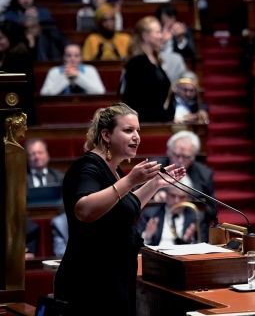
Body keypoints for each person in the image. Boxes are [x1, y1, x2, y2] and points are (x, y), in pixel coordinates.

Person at [53, 103, 186, 316]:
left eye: (138, 131)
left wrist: (155, 184)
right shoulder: (88, 167)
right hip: (90, 281)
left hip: (116, 276)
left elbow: (123, 209)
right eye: (128, 130)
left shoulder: (114, 170)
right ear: (106, 135)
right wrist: (130, 180)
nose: (136, 137)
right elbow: (84, 210)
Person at [121, 16, 174, 123]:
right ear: (145, 36)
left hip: (159, 120)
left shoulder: (156, 60)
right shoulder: (137, 62)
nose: (161, 36)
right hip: (146, 122)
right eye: (158, 32)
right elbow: (135, 99)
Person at [152, 131, 215, 210]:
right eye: (176, 155)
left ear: (193, 157)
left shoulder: (205, 174)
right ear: (169, 152)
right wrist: (155, 194)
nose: (180, 160)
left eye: (186, 157)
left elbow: (212, 207)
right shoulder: (155, 167)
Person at [136, 183, 207, 245]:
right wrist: (147, 236)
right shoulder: (151, 214)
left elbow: (203, 243)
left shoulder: (197, 216)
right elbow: (135, 242)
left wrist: (189, 241)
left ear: (188, 198)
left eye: (182, 197)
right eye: (173, 196)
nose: (176, 201)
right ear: (166, 196)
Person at [0, 21, 36, 124]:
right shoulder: (1, 56)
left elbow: (29, 87)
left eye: (1, 38)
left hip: (18, 112)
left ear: (11, 38)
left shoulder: (21, 58)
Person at [40, 44, 106, 96]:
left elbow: (100, 91)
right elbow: (44, 94)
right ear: (64, 58)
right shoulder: (54, 71)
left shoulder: (90, 70)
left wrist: (78, 77)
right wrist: (65, 77)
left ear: (80, 58)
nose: (72, 59)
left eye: (76, 56)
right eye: (69, 55)